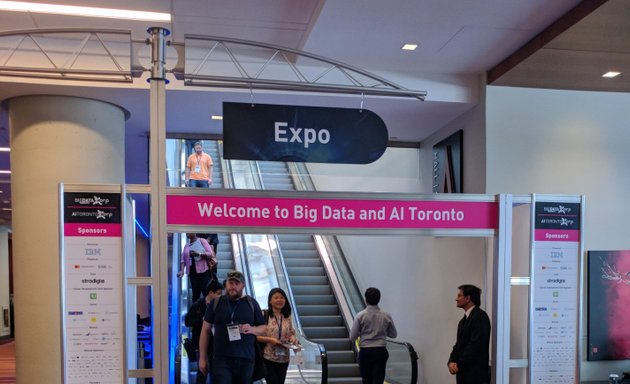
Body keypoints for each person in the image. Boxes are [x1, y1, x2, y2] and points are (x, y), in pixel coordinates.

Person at [199, 270, 267, 384]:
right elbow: (205, 330)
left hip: (246, 359)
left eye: (237, 283)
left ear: (243, 286)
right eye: (231, 283)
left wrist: (252, 329)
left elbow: (264, 328)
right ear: (226, 284)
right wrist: (202, 358)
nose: (233, 287)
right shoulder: (216, 302)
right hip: (221, 359)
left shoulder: (251, 303)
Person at [350, 287, 398, 384]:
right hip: (380, 351)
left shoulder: (360, 316)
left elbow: (352, 337)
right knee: (378, 380)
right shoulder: (386, 315)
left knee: (366, 380)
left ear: (366, 300)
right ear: (379, 299)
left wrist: (361, 333)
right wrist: (382, 331)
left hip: (365, 351)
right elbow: (394, 334)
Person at [447, 284, 491, 384]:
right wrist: (451, 361)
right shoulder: (463, 321)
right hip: (464, 374)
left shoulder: (480, 317)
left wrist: (458, 365)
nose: (456, 299)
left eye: (459, 296)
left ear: (468, 298)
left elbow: (475, 346)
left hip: (475, 376)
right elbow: (458, 345)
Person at [257, 288, 301, 384]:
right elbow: (255, 336)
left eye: (282, 297)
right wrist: (271, 339)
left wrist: (294, 341)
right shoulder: (264, 314)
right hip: (267, 357)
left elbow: (290, 335)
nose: (279, 300)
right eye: (276, 297)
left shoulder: (287, 317)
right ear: (270, 301)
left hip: (284, 358)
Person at [184, 280, 224, 384]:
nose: (220, 296)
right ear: (211, 293)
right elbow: (187, 321)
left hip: (215, 345)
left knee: (216, 372)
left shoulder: (221, 306)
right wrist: (201, 321)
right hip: (200, 344)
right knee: (202, 371)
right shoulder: (198, 305)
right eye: (218, 293)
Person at [177, 233, 217, 301]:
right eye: (187, 233)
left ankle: (207, 309)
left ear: (195, 233)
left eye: (189, 232)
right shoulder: (186, 245)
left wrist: (199, 254)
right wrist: (182, 270)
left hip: (204, 272)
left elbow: (210, 253)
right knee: (195, 293)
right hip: (192, 272)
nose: (187, 233)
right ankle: (196, 310)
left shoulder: (202, 241)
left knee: (205, 291)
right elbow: (182, 260)